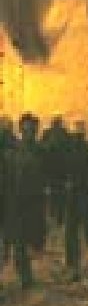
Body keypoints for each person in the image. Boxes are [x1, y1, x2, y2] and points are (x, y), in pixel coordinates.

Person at [3, 112, 48, 289]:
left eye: (32, 129)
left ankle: (25, 275)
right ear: (21, 129)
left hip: (33, 203)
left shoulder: (41, 151)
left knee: (29, 240)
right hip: (15, 203)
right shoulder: (12, 151)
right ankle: (25, 277)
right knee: (17, 241)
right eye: (26, 129)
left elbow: (49, 175)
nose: (29, 132)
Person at [64, 117, 88, 282]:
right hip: (86, 192)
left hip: (73, 192)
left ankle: (73, 265)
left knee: (71, 231)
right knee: (82, 228)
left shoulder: (68, 150)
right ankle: (75, 265)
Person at [41, 111, 70, 225]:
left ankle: (56, 215)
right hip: (59, 170)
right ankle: (58, 216)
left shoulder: (48, 133)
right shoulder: (64, 133)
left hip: (54, 170)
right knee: (59, 194)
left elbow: (42, 149)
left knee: (55, 194)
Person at [0, 114, 17, 272]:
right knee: (8, 225)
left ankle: (5, 252)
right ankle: (5, 252)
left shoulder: (13, 142)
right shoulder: (14, 142)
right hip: (10, 190)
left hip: (7, 189)